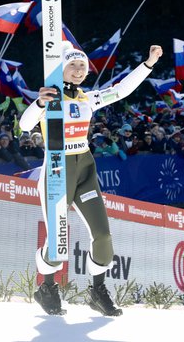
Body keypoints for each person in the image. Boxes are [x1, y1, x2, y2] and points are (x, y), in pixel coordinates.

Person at [19, 42, 162, 316]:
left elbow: (120, 90)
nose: (78, 70)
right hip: (57, 171)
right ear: (60, 68)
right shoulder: (50, 96)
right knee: (57, 244)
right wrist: (39, 103)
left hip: (85, 167)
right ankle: (47, 287)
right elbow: (25, 125)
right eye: (72, 65)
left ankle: (97, 291)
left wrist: (149, 63)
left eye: (82, 66)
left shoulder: (89, 98)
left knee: (103, 236)